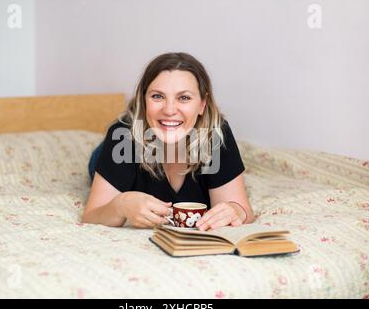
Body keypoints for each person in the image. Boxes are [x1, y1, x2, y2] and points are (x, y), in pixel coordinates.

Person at [82, 52, 254, 231]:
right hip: (126, 142)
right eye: (157, 96)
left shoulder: (216, 134)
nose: (170, 110)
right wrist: (120, 204)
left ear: (202, 104)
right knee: (105, 153)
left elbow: (242, 209)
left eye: (184, 98)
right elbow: (91, 215)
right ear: (144, 100)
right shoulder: (122, 137)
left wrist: (236, 211)